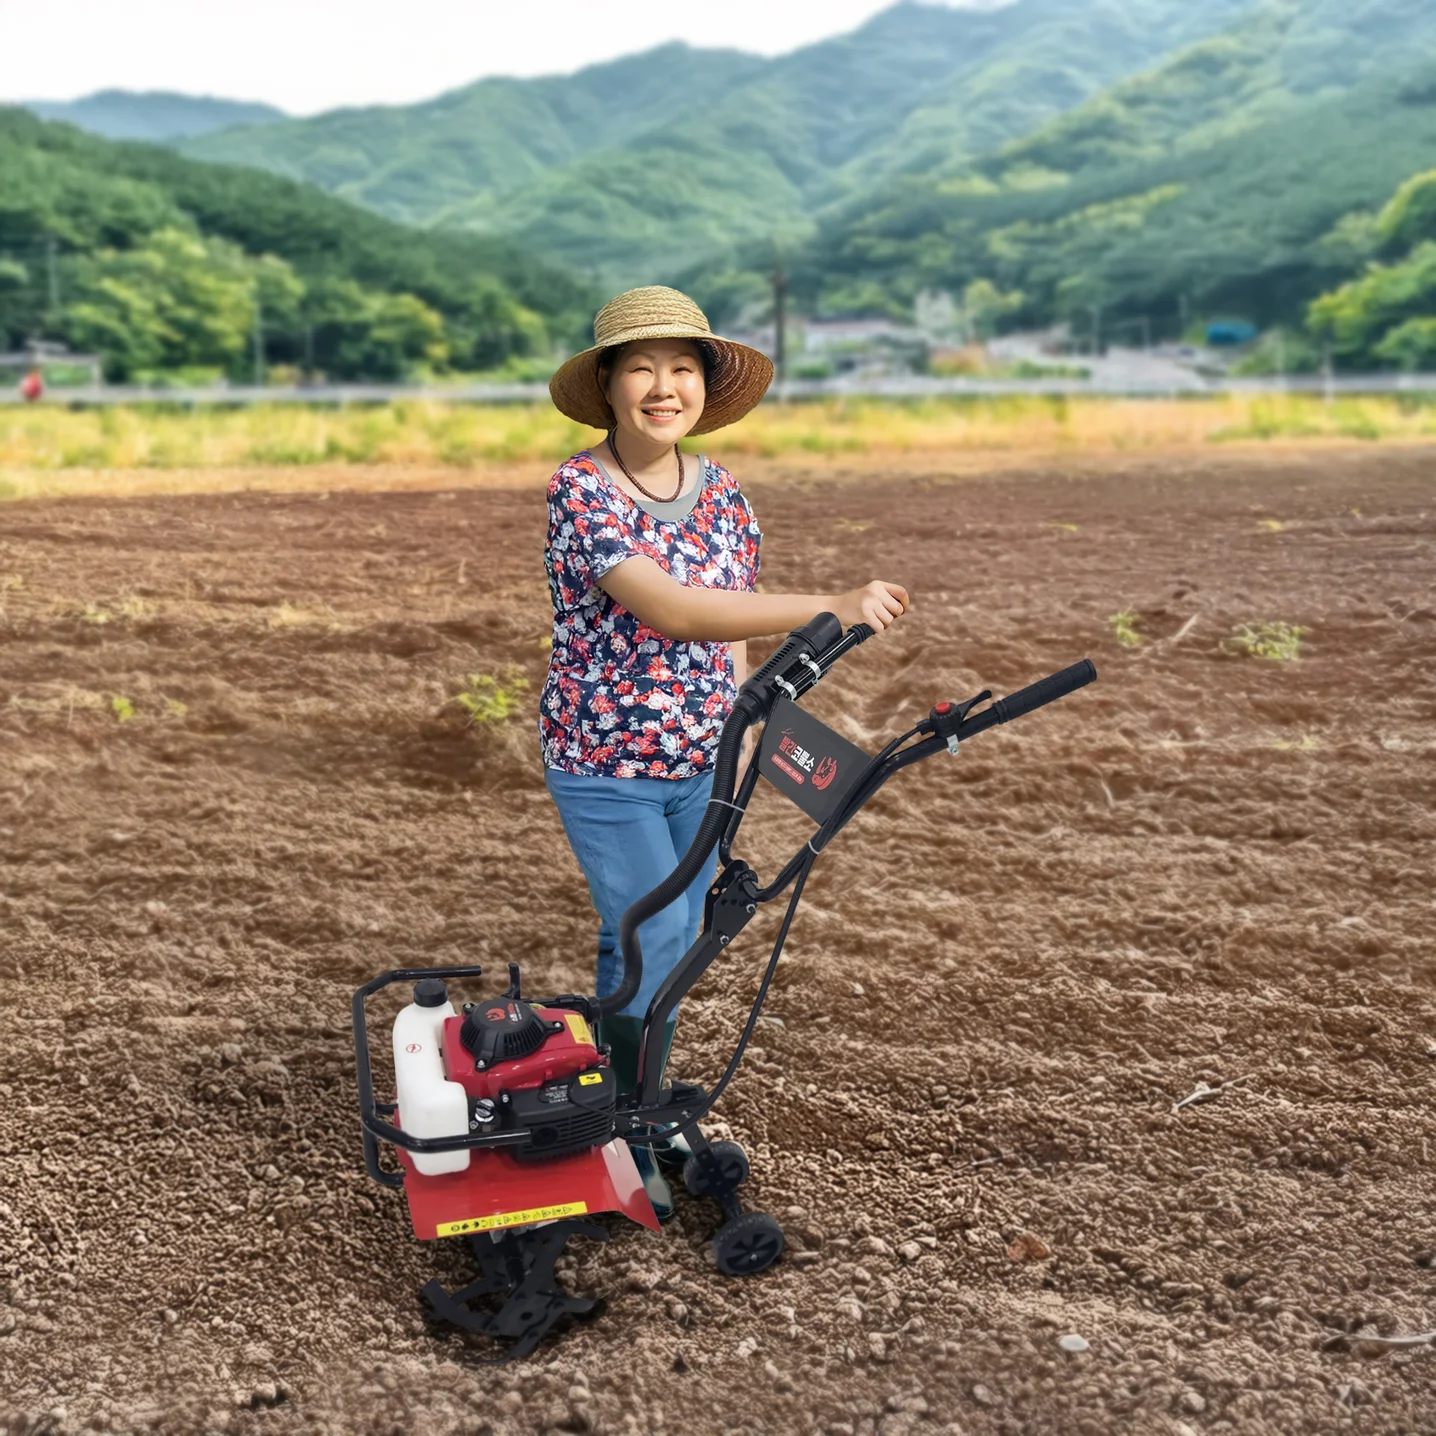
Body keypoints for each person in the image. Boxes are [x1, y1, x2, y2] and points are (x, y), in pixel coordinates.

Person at [541, 285, 909, 1215]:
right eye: (642, 368)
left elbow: (729, 639)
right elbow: (671, 607)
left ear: (704, 385)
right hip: (606, 760)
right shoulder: (580, 490)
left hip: (700, 759)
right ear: (609, 385)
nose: (663, 387)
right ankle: (626, 1123)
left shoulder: (726, 497)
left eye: (681, 369)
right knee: (652, 931)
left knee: (669, 937)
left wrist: (737, 757)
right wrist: (825, 603)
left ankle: (634, 1100)